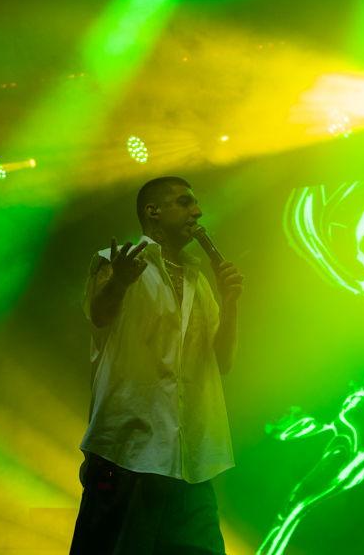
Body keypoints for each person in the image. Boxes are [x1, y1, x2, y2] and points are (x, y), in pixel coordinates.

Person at [69, 176, 244, 555]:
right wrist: (119, 283)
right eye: (184, 202)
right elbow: (99, 314)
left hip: (191, 460)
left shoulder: (199, 280)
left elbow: (222, 362)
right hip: (128, 452)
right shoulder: (116, 262)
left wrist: (230, 304)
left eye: (195, 203)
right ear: (153, 212)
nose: (197, 212)